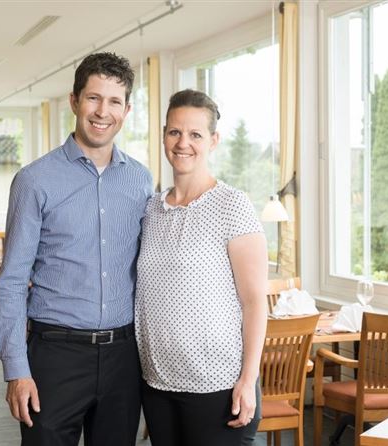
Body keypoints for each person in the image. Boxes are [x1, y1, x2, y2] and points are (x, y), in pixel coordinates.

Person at [0, 52, 153, 446]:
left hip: (123, 357)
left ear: (127, 110)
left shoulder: (141, 180)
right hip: (54, 356)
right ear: (74, 101)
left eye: (114, 101)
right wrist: (16, 370)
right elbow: (12, 282)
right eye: (93, 98)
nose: (102, 112)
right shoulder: (34, 180)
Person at [135, 89, 268, 446]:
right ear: (164, 136)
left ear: (213, 140)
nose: (183, 143)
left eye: (195, 134)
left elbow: (255, 302)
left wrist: (248, 379)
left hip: (218, 386)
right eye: (175, 132)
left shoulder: (232, 206)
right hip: (158, 384)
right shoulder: (151, 210)